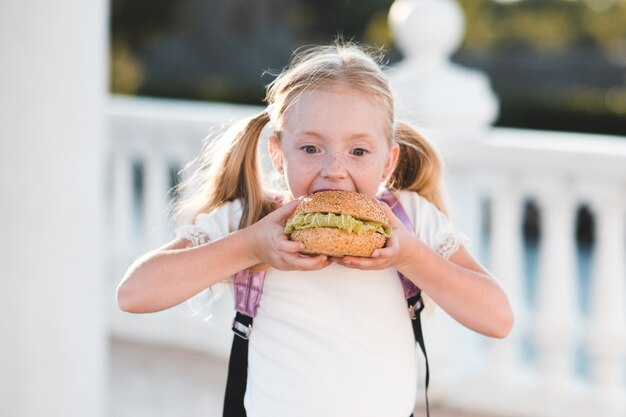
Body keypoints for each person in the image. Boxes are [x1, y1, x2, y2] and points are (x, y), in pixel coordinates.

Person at [117, 42, 514, 417]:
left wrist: (412, 256)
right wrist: (251, 247)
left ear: (389, 161)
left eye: (358, 151)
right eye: (310, 148)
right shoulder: (252, 218)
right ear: (278, 151)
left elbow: (497, 319)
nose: (334, 170)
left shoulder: (411, 219)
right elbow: (135, 293)